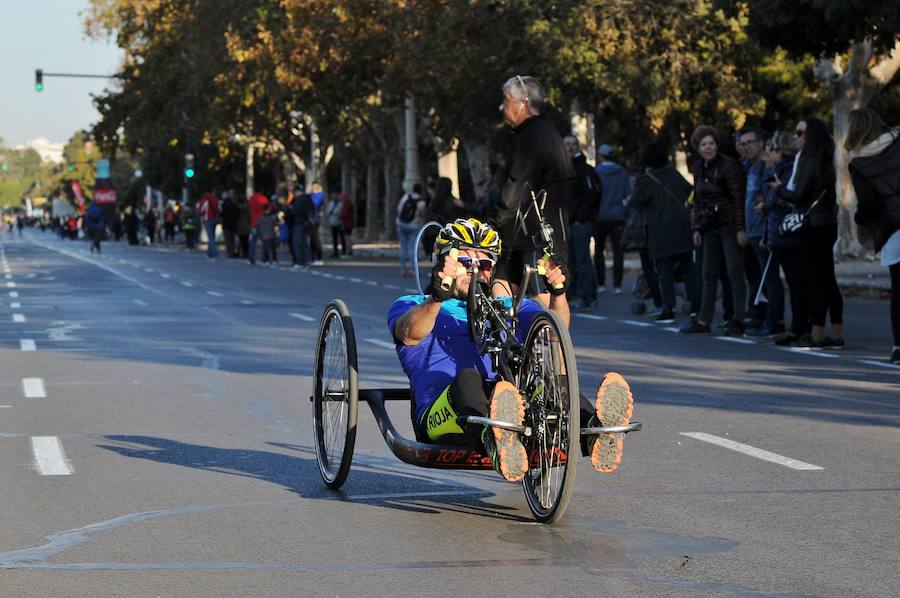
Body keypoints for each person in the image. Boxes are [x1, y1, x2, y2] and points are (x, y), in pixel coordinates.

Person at [389, 218, 635, 481]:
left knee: (553, 387)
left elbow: (554, 330)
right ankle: (497, 440)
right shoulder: (413, 304)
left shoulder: (506, 306)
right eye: (464, 262)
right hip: (442, 413)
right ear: (443, 262)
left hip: (510, 406)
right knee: (468, 377)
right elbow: (410, 333)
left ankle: (595, 433)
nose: (474, 270)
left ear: (492, 269)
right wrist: (438, 297)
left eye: (483, 264)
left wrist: (558, 293)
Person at [493, 75, 574, 300]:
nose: (502, 107)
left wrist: (490, 227)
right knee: (554, 298)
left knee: (504, 290)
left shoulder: (531, 138)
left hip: (530, 236)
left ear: (523, 104)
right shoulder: (548, 133)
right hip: (551, 234)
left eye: (506, 101)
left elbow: (514, 190)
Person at [772, 118, 843, 350]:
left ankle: (815, 334)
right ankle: (835, 332)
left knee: (815, 282)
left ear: (810, 136)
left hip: (812, 226)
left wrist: (779, 189)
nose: (795, 136)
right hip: (826, 224)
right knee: (828, 279)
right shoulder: (824, 158)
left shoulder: (809, 160)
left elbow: (800, 196)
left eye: (800, 132)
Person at [681, 125, 749, 336]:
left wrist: (740, 228)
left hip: (729, 225)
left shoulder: (729, 166)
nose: (708, 147)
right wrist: (696, 228)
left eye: (711, 143)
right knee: (707, 274)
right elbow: (697, 200)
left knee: (734, 273)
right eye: (703, 144)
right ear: (698, 148)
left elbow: (738, 198)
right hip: (709, 227)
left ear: (717, 145)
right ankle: (703, 320)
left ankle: (738, 319)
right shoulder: (699, 167)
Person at [846, 107, 900, 362]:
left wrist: (860, 222)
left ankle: (898, 346)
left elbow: (866, 204)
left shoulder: (858, 163)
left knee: (898, 290)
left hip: (893, 229)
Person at [629, 142, 698, 323]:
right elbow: (691, 191)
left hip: (659, 230)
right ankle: (695, 306)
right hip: (683, 227)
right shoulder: (673, 173)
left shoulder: (646, 179)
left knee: (664, 271)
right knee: (688, 268)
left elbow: (636, 202)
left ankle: (669, 308)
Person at [763, 132, 808, 346]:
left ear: (781, 152)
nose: (767, 154)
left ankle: (802, 327)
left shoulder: (789, 171)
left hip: (791, 234)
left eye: (770, 149)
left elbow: (789, 200)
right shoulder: (778, 171)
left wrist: (776, 193)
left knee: (799, 283)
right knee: (793, 282)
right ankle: (798, 327)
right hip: (780, 235)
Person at [740, 127, 786, 337]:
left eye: (750, 142)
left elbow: (767, 201)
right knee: (758, 278)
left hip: (765, 232)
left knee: (770, 278)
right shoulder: (749, 168)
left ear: (761, 143)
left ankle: (774, 321)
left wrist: (766, 233)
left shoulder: (766, 168)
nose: (747, 147)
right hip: (753, 232)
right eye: (743, 143)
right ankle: (762, 316)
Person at [562, 135, 601, 310]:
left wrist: (580, 217)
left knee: (582, 260)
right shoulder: (561, 169)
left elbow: (593, 194)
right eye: (567, 144)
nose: (570, 147)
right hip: (566, 223)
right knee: (570, 261)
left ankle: (587, 297)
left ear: (577, 146)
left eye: (573, 144)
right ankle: (574, 295)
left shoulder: (585, 170)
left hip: (579, 223)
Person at [593, 144, 632, 295]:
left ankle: (601, 283)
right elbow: (627, 195)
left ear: (601, 156)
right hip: (618, 216)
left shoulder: (596, 172)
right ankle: (617, 285)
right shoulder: (622, 172)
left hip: (600, 217)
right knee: (618, 252)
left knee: (598, 250)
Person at [396, 184, 426, 277]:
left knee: (403, 246)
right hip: (413, 226)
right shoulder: (421, 202)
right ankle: (413, 269)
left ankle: (403, 269)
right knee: (412, 247)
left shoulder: (406, 196)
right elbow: (421, 214)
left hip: (401, 223)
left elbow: (399, 208)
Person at [247, 189, 269, 265]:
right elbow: (267, 208)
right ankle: (264, 258)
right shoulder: (263, 198)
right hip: (262, 222)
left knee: (253, 241)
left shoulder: (251, 199)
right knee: (265, 241)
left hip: (254, 223)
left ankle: (251, 257)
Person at [198, 190, 220, 259]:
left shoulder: (205, 200)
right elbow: (219, 209)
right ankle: (209, 253)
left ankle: (213, 253)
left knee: (210, 237)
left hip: (207, 219)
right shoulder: (216, 199)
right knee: (212, 236)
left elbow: (201, 210)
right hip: (215, 219)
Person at [325, 192, 346, 258]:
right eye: (332, 196)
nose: (334, 197)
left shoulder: (341, 204)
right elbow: (327, 212)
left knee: (342, 238)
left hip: (339, 223)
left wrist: (337, 214)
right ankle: (335, 252)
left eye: (335, 196)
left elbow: (341, 212)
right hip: (332, 222)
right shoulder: (330, 203)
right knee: (334, 239)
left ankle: (344, 252)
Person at [220, 192, 239, 258]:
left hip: (226, 223)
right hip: (233, 223)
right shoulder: (234, 204)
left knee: (227, 239)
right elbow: (237, 213)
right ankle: (232, 252)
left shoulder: (224, 204)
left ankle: (229, 253)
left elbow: (221, 214)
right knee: (232, 239)